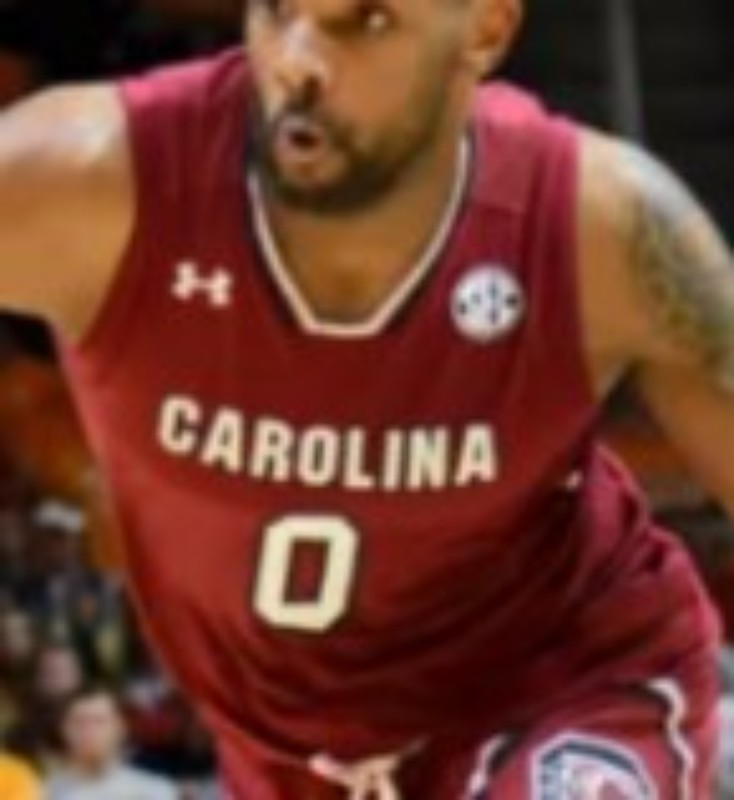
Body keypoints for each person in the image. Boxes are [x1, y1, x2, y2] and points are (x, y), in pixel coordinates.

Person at [0, 0, 732, 796]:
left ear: (486, 29)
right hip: (290, 761)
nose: (298, 60)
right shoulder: (86, 180)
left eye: (367, 21)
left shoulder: (603, 227)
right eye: (279, 10)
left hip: (567, 684)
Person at [44, 684, 178, 800]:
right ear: (63, 730)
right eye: (79, 723)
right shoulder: (43, 793)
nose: (89, 731)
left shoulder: (155, 791)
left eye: (99, 721)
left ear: (121, 727)